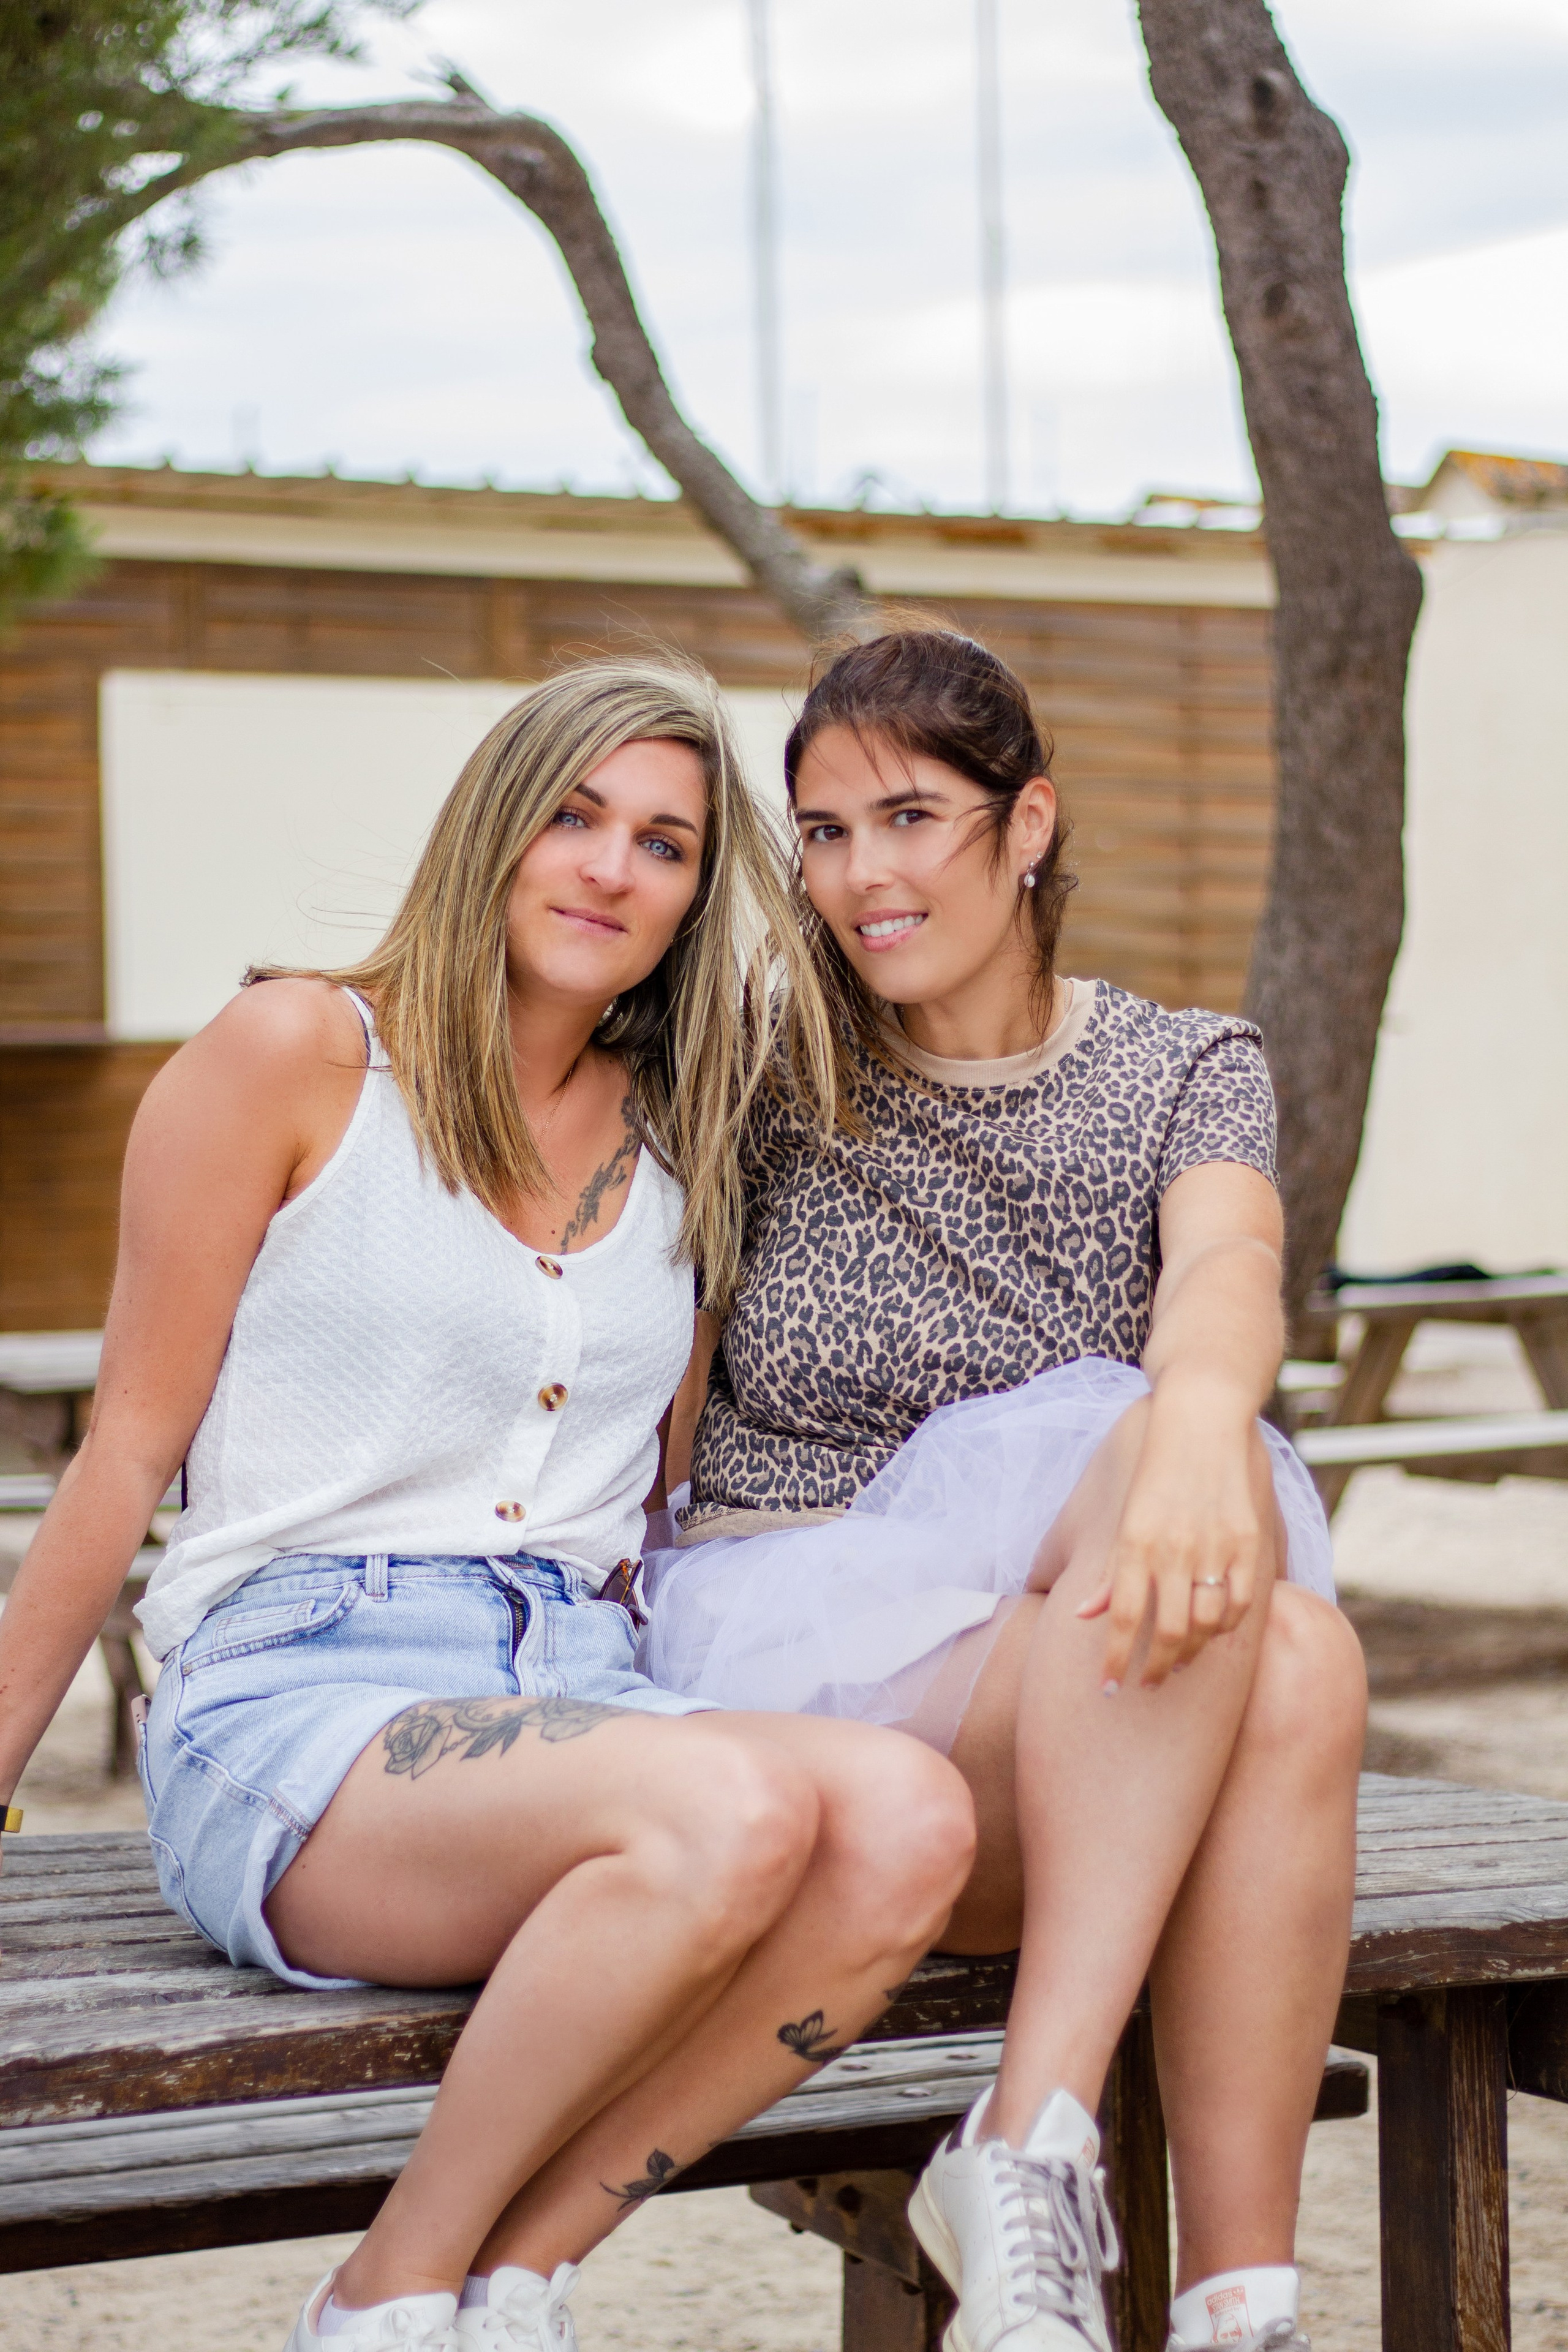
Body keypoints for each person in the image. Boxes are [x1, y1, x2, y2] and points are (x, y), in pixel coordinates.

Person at [0, 660, 976, 2352]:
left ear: (694, 897)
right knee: (726, 1812)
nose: (611, 867)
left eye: (666, 844)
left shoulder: (684, 1142)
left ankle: (520, 2275)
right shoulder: (301, 1054)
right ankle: (387, 2294)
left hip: (580, 1690)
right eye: (574, 816)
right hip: (301, 1698)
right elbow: (124, 1454)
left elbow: (653, 1498)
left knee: (910, 1818)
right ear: (493, 832)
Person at [641, 628, 1368, 2352]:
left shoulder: (1185, 1069)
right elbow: (646, 1383)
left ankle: (1216, 2301)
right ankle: (1045, 2142)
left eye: (908, 816)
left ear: (1027, 822)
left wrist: (1199, 1413)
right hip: (816, 1676)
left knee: (1295, 1649)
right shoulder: (757, 1069)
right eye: (822, 832)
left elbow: (1228, 1262)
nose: (862, 874)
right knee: (1270, 1630)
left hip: (1108, 1714)